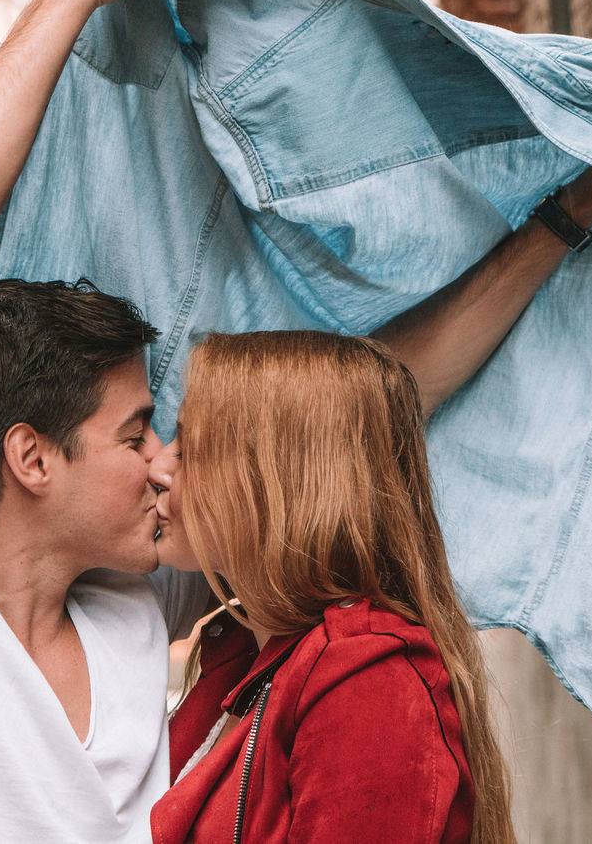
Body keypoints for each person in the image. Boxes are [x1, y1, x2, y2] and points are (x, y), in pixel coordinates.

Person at [0, 0, 592, 839]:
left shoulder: (127, 598)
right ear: (31, 457)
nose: (165, 464)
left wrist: (567, 217)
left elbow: (362, 414)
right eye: (137, 433)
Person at [149, 331, 512, 843]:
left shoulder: (367, 681)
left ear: (278, 477)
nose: (158, 467)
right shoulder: (250, 654)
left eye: (189, 448)